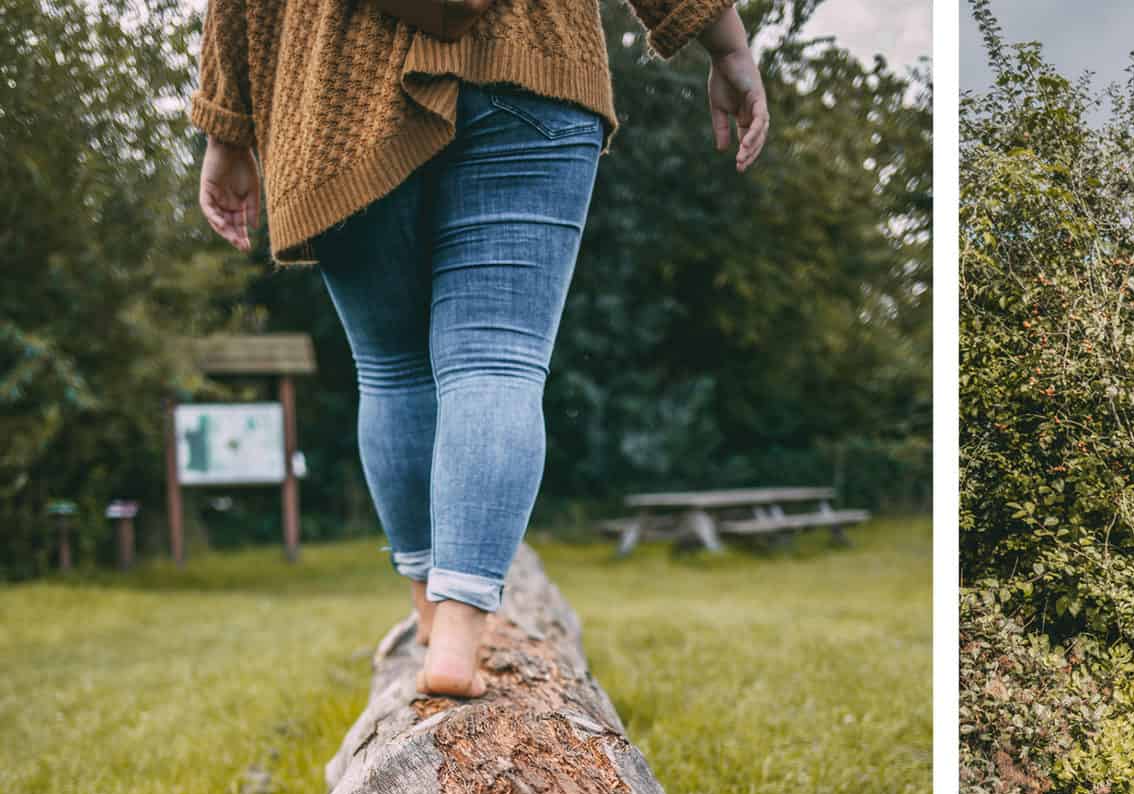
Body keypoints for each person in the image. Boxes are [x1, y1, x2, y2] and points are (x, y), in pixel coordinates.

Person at [190, 0, 768, 695]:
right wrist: (727, 45)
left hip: (336, 90)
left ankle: (429, 609)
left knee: (393, 371)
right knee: (496, 361)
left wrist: (226, 130)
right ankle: (461, 632)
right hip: (531, 59)